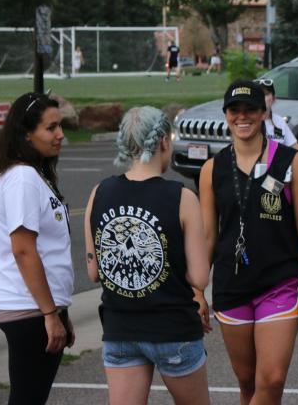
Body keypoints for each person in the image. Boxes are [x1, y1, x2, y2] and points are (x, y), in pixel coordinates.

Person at [198, 80, 298, 405]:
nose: (243, 117)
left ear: (263, 113)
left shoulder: (289, 161)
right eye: (234, 110)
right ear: (226, 114)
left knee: (272, 379)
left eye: (250, 110)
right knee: (249, 385)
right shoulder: (212, 169)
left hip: (279, 281)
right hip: (231, 284)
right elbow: (208, 235)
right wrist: (197, 289)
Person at [83, 107, 210, 405]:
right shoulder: (182, 197)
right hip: (173, 329)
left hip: (120, 329)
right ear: (164, 141)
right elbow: (200, 277)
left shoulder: (99, 193)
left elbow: (93, 271)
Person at [0, 92, 74, 405]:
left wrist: (60, 309)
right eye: (51, 128)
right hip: (28, 309)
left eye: (59, 126)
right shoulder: (22, 177)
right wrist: (51, 313)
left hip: (38, 308)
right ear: (27, 134)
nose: (60, 134)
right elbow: (23, 250)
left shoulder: (31, 175)